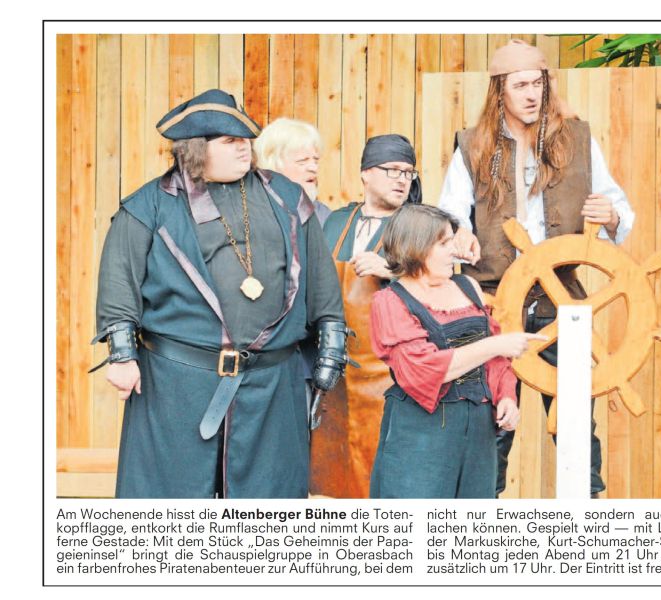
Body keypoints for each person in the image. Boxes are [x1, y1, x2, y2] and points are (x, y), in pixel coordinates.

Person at [91, 89, 350, 498]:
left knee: (268, 513)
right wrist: (122, 356)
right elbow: (118, 280)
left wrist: (332, 344)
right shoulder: (148, 206)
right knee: (169, 514)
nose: (244, 148)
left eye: (246, 139)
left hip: (271, 387)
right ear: (196, 148)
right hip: (177, 385)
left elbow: (321, 279)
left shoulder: (286, 197)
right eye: (230, 141)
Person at [437, 39, 636, 498]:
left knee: (575, 427)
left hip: (560, 305)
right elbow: (449, 214)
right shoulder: (472, 147)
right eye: (520, 85)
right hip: (493, 307)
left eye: (537, 84)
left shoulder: (578, 141)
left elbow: (619, 210)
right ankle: (481, 519)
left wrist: (610, 216)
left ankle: (583, 517)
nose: (531, 94)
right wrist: (459, 233)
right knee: (491, 423)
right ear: (499, 92)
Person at [368, 204, 544, 498]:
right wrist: (493, 345)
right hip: (421, 433)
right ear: (417, 246)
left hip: (478, 432)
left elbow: (497, 362)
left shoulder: (468, 286)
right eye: (444, 243)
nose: (454, 250)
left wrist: (506, 397)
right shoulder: (390, 301)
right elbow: (422, 370)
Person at [310, 135, 421, 498]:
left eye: (407, 172)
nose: (401, 179)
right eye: (392, 170)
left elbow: (442, 288)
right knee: (328, 471)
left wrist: (393, 271)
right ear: (366, 173)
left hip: (386, 374)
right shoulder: (336, 221)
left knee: (380, 475)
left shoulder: (419, 225)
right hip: (332, 372)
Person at [254, 117, 332, 225]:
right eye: (302, 161)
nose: (314, 168)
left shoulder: (323, 215)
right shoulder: (251, 211)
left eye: (316, 160)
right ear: (273, 165)